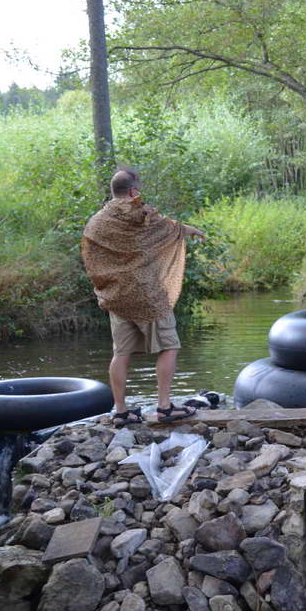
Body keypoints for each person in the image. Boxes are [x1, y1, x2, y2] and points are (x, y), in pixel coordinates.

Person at [81, 166, 206, 428]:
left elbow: (90, 254)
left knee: (121, 353)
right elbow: (167, 229)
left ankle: (121, 412)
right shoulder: (140, 212)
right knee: (169, 346)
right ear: (133, 191)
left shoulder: (97, 221)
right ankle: (164, 407)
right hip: (148, 295)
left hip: (117, 297)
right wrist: (191, 230)